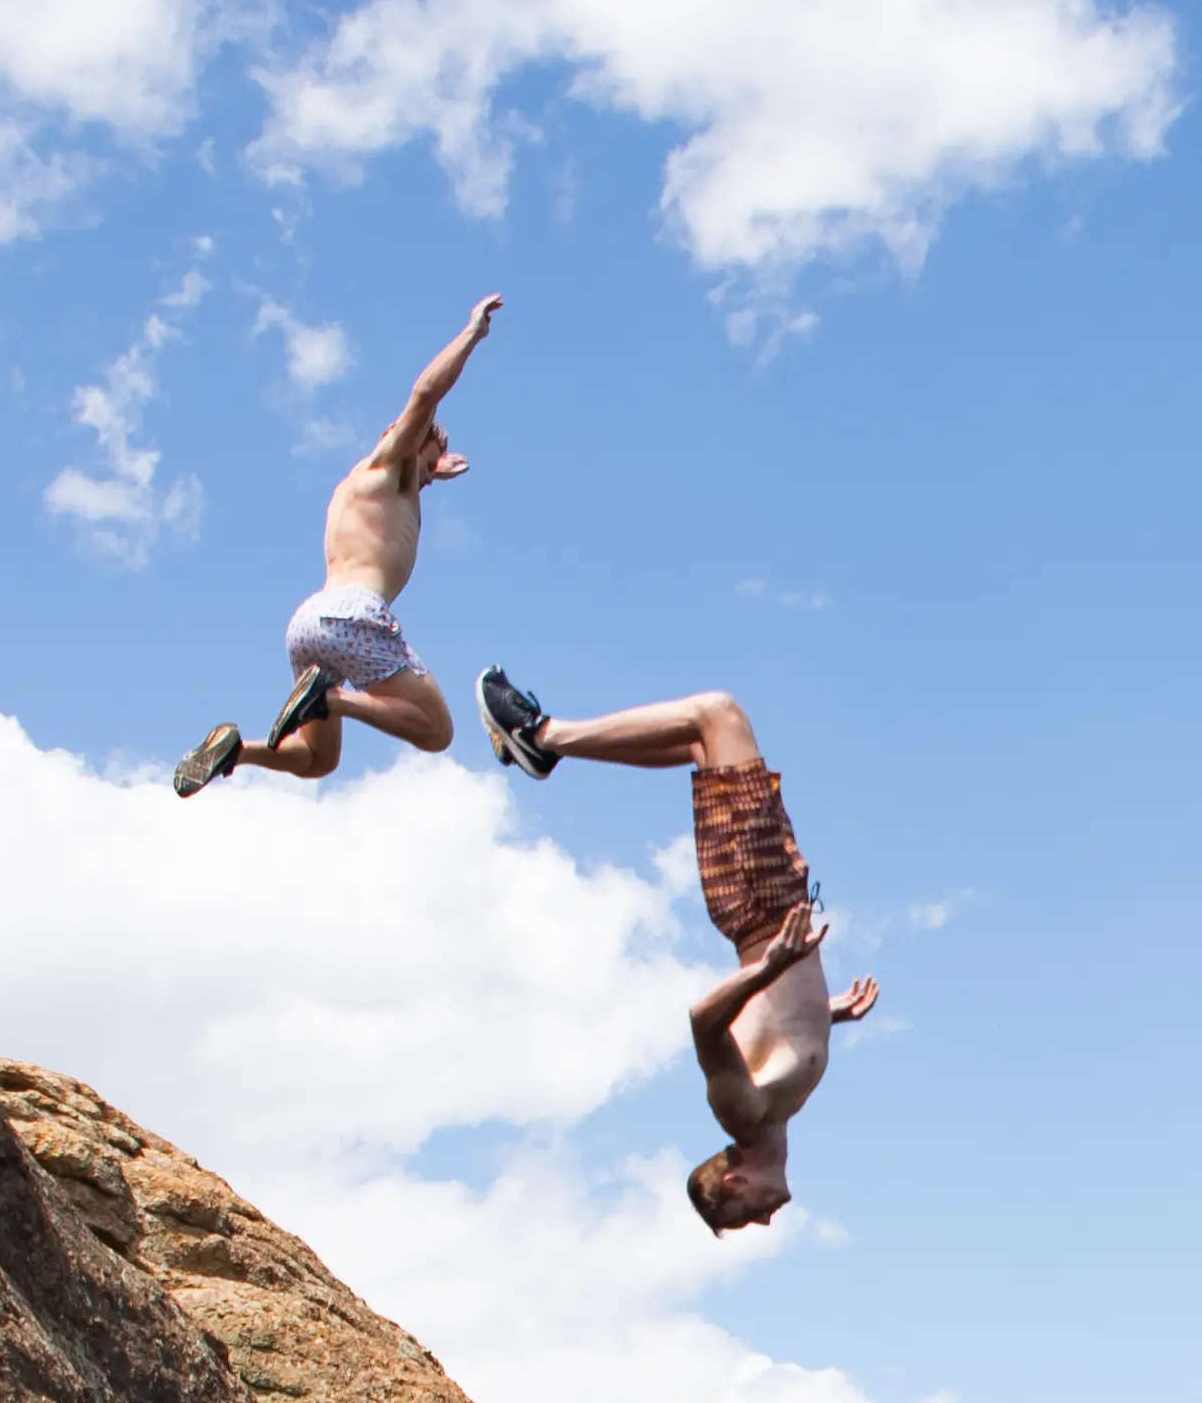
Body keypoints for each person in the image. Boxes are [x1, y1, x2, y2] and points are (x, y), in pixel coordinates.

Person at [472, 673, 878, 1231]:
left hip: (757, 902)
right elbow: (773, 1023)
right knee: (699, 740)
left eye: (743, 1216)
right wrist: (828, 1013)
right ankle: (546, 745)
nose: (764, 1221)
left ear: (733, 1184)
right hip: (772, 897)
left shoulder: (740, 1113)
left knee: (717, 714)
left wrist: (769, 966)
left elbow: (703, 1022)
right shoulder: (776, 1115)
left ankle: (542, 737)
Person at [179, 293, 500, 794]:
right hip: (354, 615)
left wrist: (434, 470)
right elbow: (424, 395)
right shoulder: (389, 463)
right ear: (404, 441)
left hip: (310, 624)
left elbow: (409, 484)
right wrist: (471, 334)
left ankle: (235, 751)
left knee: (316, 760)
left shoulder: (363, 489)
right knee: (436, 730)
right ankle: (330, 698)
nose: (426, 477)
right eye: (426, 463)